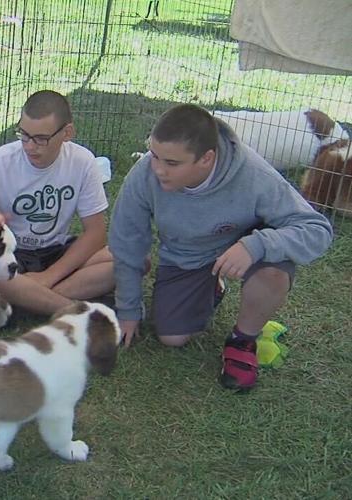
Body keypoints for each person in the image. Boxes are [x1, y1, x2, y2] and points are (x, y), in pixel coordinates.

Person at [109, 103, 333, 390]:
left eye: (172, 163)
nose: (158, 170)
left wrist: (257, 245)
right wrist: (127, 310)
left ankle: (243, 340)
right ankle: (213, 285)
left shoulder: (255, 175)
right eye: (154, 156)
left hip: (247, 248)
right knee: (172, 337)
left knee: (273, 273)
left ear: (206, 159)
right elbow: (127, 241)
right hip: (188, 255)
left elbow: (317, 230)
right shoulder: (144, 174)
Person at [0, 90, 115, 315]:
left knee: (131, 260)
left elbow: (96, 233)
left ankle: (31, 299)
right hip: (9, 255)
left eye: (41, 139)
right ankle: (72, 310)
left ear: (67, 133)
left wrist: (48, 277)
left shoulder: (83, 162)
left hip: (55, 252)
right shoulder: (0, 161)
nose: (30, 146)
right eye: (24, 135)